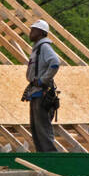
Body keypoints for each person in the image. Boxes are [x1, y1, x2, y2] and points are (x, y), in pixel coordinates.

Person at [23, 19, 61, 151]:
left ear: (41, 32)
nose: (31, 32)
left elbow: (55, 63)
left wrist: (42, 80)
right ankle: (42, 157)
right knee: (36, 128)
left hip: (42, 92)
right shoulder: (37, 49)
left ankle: (51, 158)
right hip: (35, 93)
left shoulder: (44, 47)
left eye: (33, 30)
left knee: (43, 129)